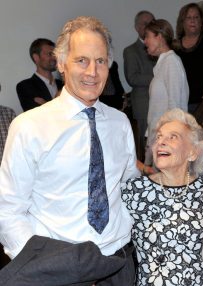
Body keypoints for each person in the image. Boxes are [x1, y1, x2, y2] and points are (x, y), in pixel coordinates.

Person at [0, 16, 139, 285]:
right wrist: (41, 266)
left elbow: (128, 186)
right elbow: (8, 209)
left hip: (118, 266)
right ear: (61, 63)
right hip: (59, 270)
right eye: (81, 60)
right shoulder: (29, 126)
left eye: (100, 61)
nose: (92, 72)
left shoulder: (120, 123)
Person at [122, 108, 203, 286]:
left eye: (172, 137)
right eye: (158, 137)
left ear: (192, 152)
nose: (161, 142)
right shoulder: (134, 191)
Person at [143, 19, 189, 166]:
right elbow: (156, 109)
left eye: (147, 36)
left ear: (159, 37)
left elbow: (175, 106)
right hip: (157, 139)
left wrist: (167, 139)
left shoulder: (171, 62)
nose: (145, 41)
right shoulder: (162, 63)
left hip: (166, 142)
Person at [123, 10, 156, 160]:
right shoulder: (130, 51)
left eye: (152, 23)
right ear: (137, 27)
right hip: (143, 105)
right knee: (145, 148)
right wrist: (158, 78)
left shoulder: (160, 48)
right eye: (145, 24)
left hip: (160, 104)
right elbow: (132, 78)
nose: (149, 26)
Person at [16, 38, 63, 111]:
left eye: (55, 54)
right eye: (50, 54)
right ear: (36, 57)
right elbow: (35, 116)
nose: (54, 57)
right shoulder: (25, 86)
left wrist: (46, 105)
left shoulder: (64, 85)